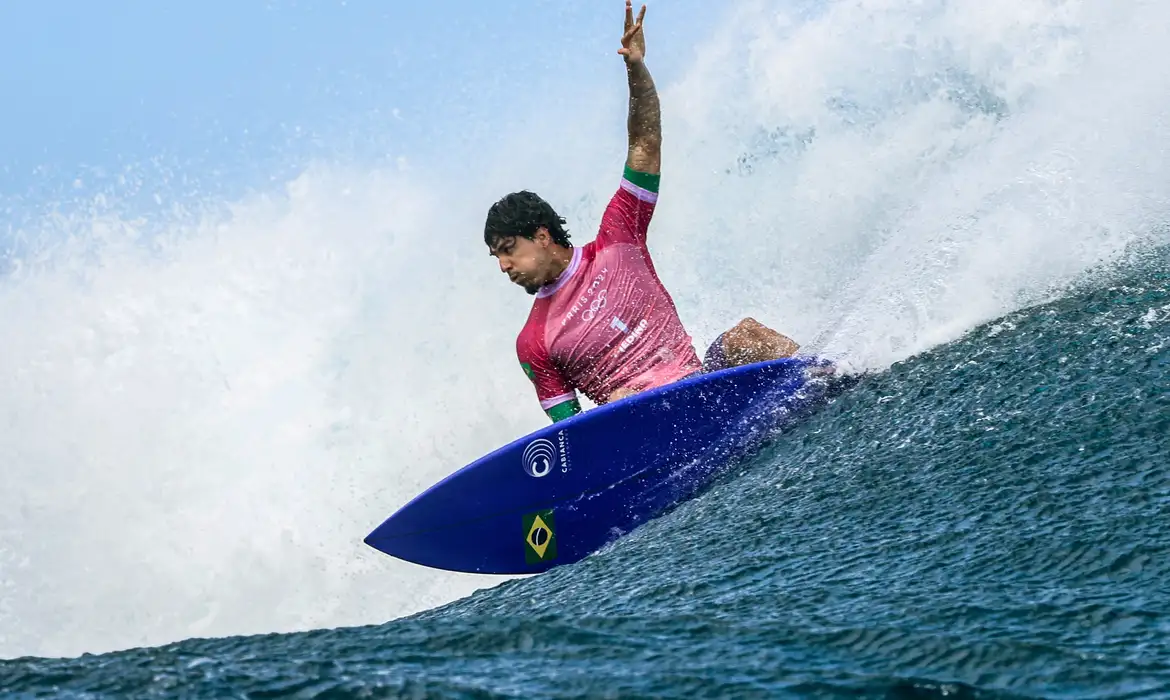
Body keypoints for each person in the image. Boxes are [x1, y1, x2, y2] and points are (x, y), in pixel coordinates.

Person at [485, 1, 803, 423]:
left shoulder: (618, 238)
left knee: (747, 335)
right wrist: (613, 412)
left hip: (700, 384)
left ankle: (834, 378)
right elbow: (571, 434)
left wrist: (637, 71)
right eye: (497, 258)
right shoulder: (534, 342)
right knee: (618, 404)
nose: (504, 266)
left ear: (542, 236)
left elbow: (644, 144)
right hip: (642, 426)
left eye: (509, 249)